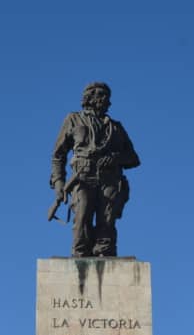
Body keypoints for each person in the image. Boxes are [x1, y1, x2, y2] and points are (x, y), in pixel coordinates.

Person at [50, 81, 141, 258]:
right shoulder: (73, 119)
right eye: (99, 94)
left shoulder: (116, 127)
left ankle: (104, 254)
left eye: (106, 95)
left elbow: (133, 158)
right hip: (82, 178)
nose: (104, 98)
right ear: (88, 97)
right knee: (81, 217)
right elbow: (58, 155)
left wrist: (115, 158)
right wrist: (59, 184)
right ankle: (79, 255)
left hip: (109, 179)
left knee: (107, 221)